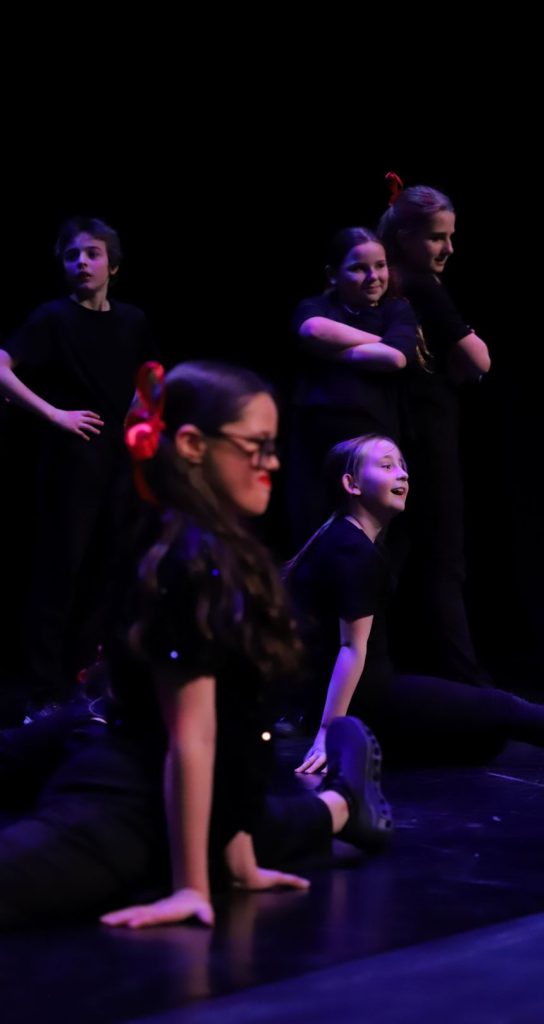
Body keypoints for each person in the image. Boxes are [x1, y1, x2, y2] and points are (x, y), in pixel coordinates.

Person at [0, 363, 391, 930]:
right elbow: (195, 735)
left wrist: (239, 863)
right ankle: (338, 808)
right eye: (255, 447)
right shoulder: (185, 557)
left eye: (273, 448)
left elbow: (236, 730)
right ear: (192, 446)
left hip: (156, 795)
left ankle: (341, 806)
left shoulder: (224, 550)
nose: (272, 464)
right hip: (122, 802)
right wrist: (192, 888)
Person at [285, 434, 544, 774]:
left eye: (403, 466)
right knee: (504, 709)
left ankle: (379, 747)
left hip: (364, 699)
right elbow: (350, 649)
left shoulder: (343, 539)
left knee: (484, 738)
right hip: (367, 702)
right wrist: (328, 732)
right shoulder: (353, 551)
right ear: (351, 484)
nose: (402, 474)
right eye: (386, 466)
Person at [0, 216, 156, 713]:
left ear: (113, 263)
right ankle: (42, 691)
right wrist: (53, 413)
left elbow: (151, 380)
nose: (82, 263)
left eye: (91, 253)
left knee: (109, 571)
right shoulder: (52, 318)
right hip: (69, 460)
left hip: (118, 461)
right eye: (72, 256)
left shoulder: (132, 319)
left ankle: (85, 684)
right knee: (58, 573)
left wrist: (143, 427)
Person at [378, 182, 490, 684]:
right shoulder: (419, 284)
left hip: (399, 432)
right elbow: (478, 358)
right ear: (403, 237)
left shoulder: (389, 282)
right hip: (428, 435)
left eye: (450, 237)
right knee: (442, 560)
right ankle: (464, 683)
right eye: (436, 238)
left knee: (398, 557)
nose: (448, 249)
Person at [287, 226, 419, 545]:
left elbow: (396, 359)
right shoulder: (318, 305)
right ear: (333, 275)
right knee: (312, 529)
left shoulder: (396, 309)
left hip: (372, 439)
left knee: (366, 531)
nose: (373, 276)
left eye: (380, 265)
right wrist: (380, 343)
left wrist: (336, 351)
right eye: (359, 268)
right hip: (316, 437)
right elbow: (312, 330)